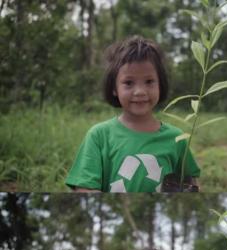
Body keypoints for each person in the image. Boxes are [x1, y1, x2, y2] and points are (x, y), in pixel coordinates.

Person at [66, 36, 200, 192]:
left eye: (149, 81)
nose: (140, 92)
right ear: (114, 88)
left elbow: (192, 184)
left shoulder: (177, 138)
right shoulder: (98, 136)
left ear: (160, 84)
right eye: (129, 83)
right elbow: (85, 188)